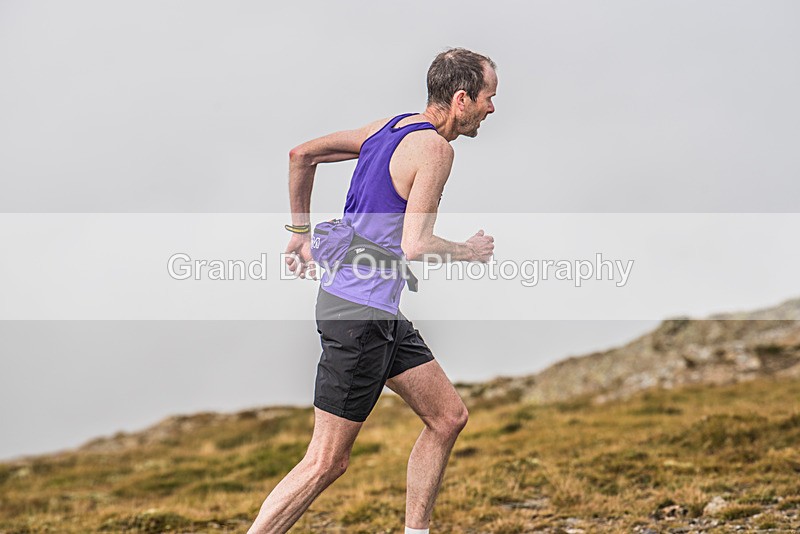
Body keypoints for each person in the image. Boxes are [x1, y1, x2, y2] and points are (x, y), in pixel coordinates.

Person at [247, 47, 497, 534]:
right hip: (360, 317)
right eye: (488, 97)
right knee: (326, 461)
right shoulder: (435, 151)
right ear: (462, 99)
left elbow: (301, 155)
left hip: (372, 312)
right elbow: (416, 245)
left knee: (448, 417)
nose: (492, 108)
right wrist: (468, 250)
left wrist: (299, 231)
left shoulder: (389, 127)